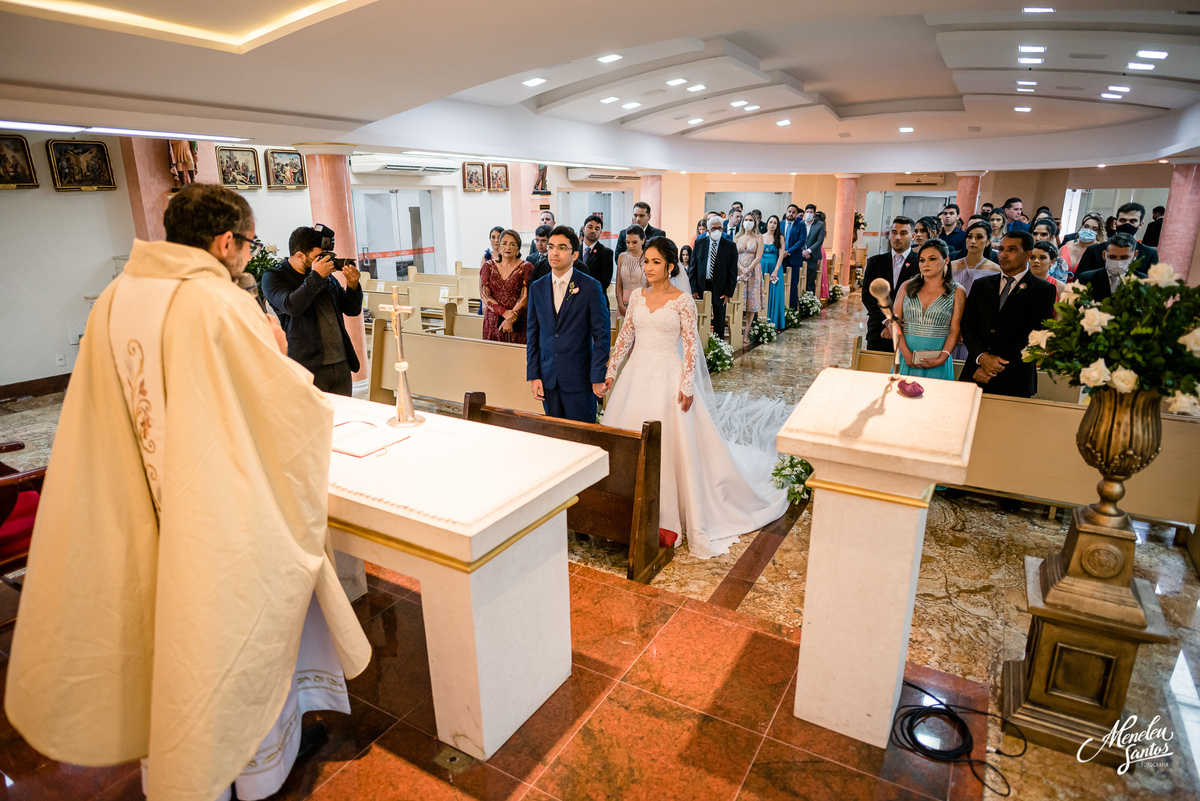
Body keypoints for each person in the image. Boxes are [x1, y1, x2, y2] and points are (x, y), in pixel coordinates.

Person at [5, 183, 371, 801]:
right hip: (216, 512)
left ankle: (182, 764)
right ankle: (256, 767)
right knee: (232, 626)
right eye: (247, 244)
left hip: (136, 507)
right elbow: (283, 404)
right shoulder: (214, 303)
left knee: (164, 634)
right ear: (226, 241)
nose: (245, 257)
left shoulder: (118, 299)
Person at [602, 237, 787, 558]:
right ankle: (624, 511)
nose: (648, 267)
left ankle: (668, 516)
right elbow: (625, 337)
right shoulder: (636, 298)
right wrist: (610, 370)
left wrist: (687, 385)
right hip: (636, 376)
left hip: (668, 378)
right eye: (646, 261)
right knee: (628, 439)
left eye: (655, 262)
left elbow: (690, 347)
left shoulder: (683, 301)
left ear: (670, 266)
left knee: (673, 446)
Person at [262, 225, 363, 396]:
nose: (323, 262)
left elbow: (352, 310)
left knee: (344, 419)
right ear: (300, 255)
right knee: (315, 420)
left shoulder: (324, 276)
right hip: (308, 366)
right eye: (318, 257)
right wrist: (316, 276)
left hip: (341, 363)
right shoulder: (274, 277)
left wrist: (353, 286)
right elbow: (292, 306)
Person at [957, 230, 1057, 397]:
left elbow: (1035, 335)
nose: (1003, 255)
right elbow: (968, 325)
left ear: (1028, 254)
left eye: (1011, 250)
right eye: (1001, 249)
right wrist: (982, 357)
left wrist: (991, 367)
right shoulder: (982, 284)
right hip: (974, 372)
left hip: (1015, 376)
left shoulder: (1043, 290)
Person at [526, 225, 610, 423]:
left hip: (580, 379)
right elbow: (532, 333)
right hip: (548, 378)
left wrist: (597, 375)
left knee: (582, 439)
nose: (555, 252)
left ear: (574, 255)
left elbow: (602, 334)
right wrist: (534, 375)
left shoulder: (590, 287)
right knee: (555, 439)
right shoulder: (537, 288)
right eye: (551, 246)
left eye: (562, 247)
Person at [892, 239, 965, 382]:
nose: (926, 264)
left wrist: (942, 358)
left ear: (946, 260)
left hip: (938, 360)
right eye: (922, 260)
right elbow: (894, 323)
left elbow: (955, 330)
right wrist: (906, 354)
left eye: (932, 259)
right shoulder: (907, 286)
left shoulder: (957, 291)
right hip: (905, 356)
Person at [860, 216, 919, 351]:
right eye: (894, 233)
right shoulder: (875, 262)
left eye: (903, 233)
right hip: (878, 329)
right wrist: (887, 321)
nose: (897, 237)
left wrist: (897, 324)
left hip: (908, 330)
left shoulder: (920, 263)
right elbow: (867, 296)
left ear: (913, 236)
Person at [1074, 202, 1158, 277]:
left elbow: (1153, 288)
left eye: (1132, 221)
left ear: (1140, 224)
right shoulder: (1094, 251)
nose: (1127, 224)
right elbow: (1079, 282)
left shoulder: (1149, 254)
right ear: (1115, 223)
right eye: (1123, 220)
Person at [481, 229, 532, 343]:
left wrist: (510, 319)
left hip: (518, 319)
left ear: (518, 248)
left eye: (512, 244)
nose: (507, 247)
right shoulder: (488, 266)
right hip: (493, 320)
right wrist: (504, 313)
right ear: (499, 246)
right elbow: (484, 295)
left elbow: (525, 296)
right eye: (504, 243)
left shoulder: (526, 267)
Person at [693, 214, 739, 340]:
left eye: (719, 228)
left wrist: (728, 292)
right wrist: (694, 289)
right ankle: (700, 342)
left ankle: (718, 345)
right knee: (701, 316)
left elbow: (733, 271)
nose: (717, 231)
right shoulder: (699, 243)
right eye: (713, 228)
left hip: (720, 287)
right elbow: (693, 267)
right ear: (708, 230)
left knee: (719, 317)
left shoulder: (730, 245)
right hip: (703, 285)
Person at [1075, 231, 1142, 302]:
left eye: (1124, 257)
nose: (1118, 262)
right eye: (1112, 257)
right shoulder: (1085, 279)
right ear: (1104, 255)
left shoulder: (1145, 283)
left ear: (1134, 255)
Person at [735, 215, 763, 343]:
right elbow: (733, 255)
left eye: (751, 220)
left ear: (755, 223)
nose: (748, 222)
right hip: (738, 270)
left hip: (753, 271)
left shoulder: (758, 237)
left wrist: (748, 269)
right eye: (746, 220)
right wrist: (741, 268)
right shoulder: (737, 237)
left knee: (750, 303)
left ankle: (746, 332)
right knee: (739, 300)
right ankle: (736, 331)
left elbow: (758, 256)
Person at [615, 225, 648, 317]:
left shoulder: (648, 258)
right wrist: (620, 304)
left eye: (634, 242)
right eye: (627, 242)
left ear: (643, 240)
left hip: (643, 304)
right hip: (623, 304)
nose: (630, 245)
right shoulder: (622, 257)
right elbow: (618, 284)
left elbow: (650, 286)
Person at [780, 203, 808, 309]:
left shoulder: (800, 225)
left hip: (794, 258)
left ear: (796, 214)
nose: (791, 214)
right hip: (781, 259)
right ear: (786, 212)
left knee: (793, 285)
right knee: (781, 284)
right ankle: (781, 307)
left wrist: (788, 252)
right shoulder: (780, 224)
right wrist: (782, 252)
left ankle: (792, 309)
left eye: (793, 212)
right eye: (789, 211)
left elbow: (801, 241)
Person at [579, 213, 614, 293]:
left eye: (597, 229)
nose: (593, 231)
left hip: (596, 297)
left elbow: (604, 282)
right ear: (583, 228)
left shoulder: (606, 253)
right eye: (590, 227)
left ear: (601, 232)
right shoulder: (574, 251)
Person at [762, 215, 785, 330]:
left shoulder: (780, 237)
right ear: (767, 223)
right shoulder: (761, 237)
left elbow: (781, 255)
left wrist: (775, 270)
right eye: (770, 222)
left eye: (775, 223)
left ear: (777, 225)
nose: (772, 224)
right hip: (762, 266)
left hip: (774, 267)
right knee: (762, 292)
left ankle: (773, 321)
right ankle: (761, 320)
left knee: (773, 293)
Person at [1062, 212, 1104, 277]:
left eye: (1094, 229)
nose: (1089, 230)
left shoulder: (1099, 250)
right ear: (1081, 227)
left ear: (1099, 232)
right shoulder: (1068, 245)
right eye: (1086, 226)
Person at [801, 204, 825, 294]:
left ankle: (810, 301)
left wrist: (808, 251)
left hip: (812, 257)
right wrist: (802, 251)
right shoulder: (800, 224)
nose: (809, 214)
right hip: (800, 256)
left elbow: (819, 241)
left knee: (810, 281)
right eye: (807, 212)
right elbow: (797, 240)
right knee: (799, 280)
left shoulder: (819, 225)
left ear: (814, 214)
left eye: (811, 212)